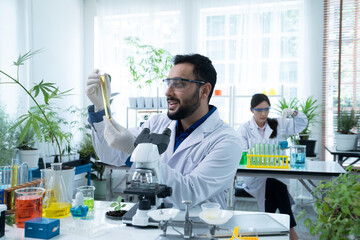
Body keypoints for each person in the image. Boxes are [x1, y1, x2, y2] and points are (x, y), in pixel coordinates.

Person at [86, 54, 241, 209]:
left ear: (204, 90)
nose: (168, 92)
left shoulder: (226, 141)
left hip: (197, 228)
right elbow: (110, 154)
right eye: (168, 83)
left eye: (178, 84)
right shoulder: (157, 123)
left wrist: (138, 152)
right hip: (151, 222)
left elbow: (189, 194)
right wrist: (101, 109)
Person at [237, 93, 307, 240]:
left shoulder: (277, 123)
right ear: (251, 110)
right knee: (276, 186)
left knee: (274, 186)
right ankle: (290, 231)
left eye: (266, 109)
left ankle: (266, 232)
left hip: (276, 175)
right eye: (259, 110)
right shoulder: (244, 129)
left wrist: (294, 113)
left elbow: (301, 124)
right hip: (255, 177)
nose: (263, 114)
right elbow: (241, 154)